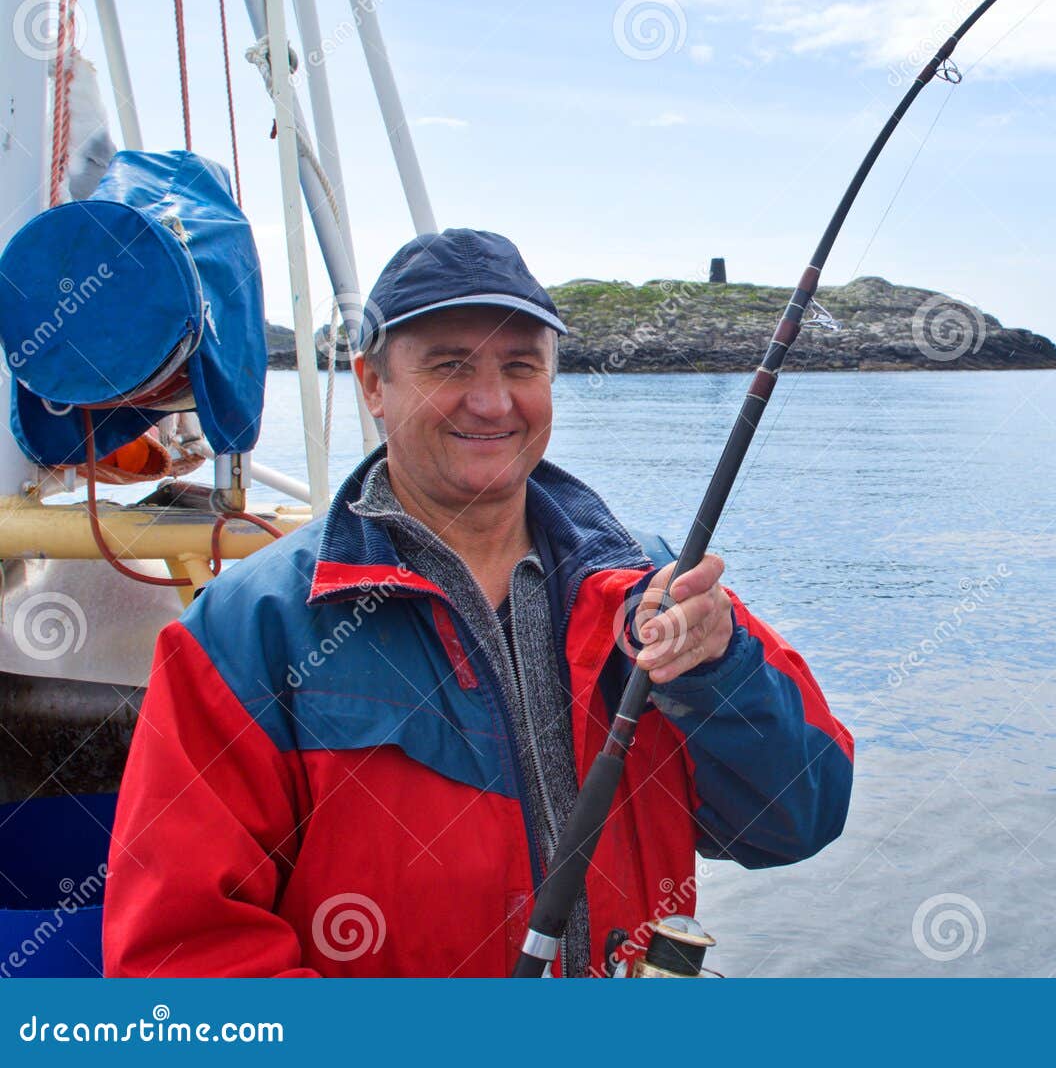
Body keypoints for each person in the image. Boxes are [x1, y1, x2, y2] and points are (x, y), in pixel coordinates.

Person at [102, 228, 854, 977]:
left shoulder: (656, 586)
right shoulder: (247, 630)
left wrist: (720, 671)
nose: (492, 402)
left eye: (520, 366)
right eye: (450, 365)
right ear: (371, 383)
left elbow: (798, 819)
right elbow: (179, 958)